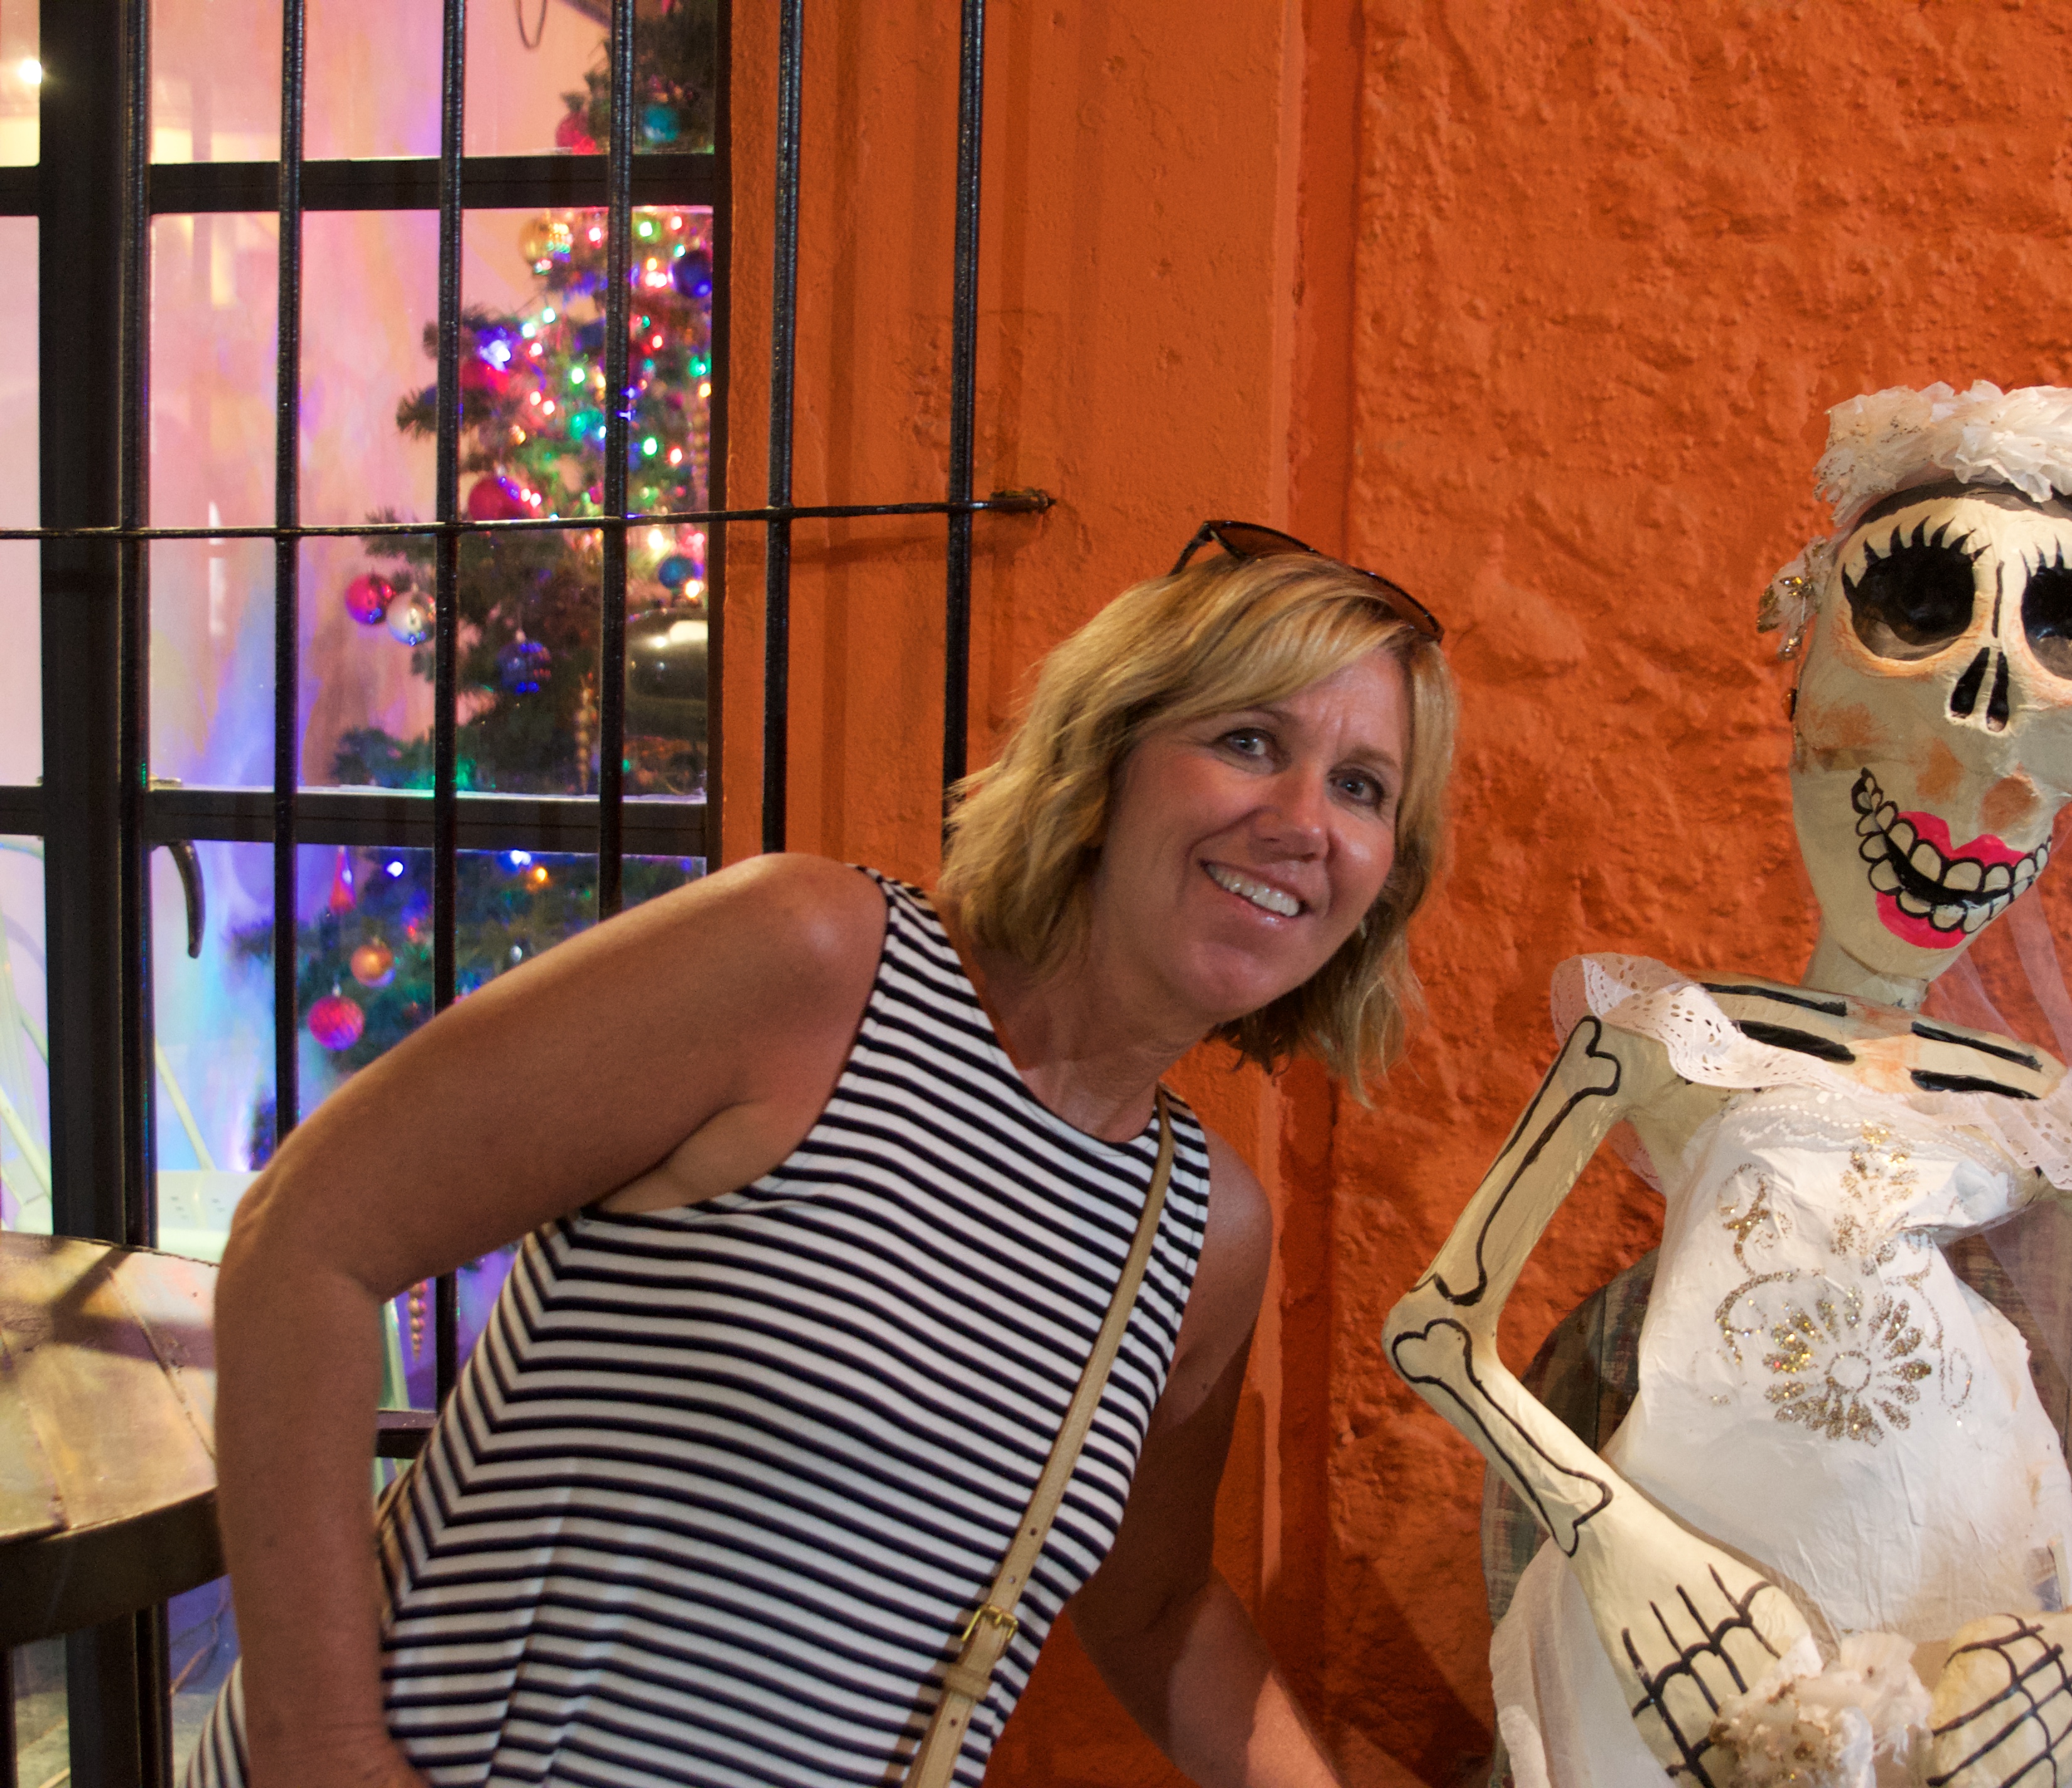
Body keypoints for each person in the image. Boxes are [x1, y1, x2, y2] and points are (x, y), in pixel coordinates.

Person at [192, 522, 1456, 1788]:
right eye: (1248, 741)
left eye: (1363, 786)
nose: (1304, 821)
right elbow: (308, 1237)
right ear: (1107, 755)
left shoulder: (1197, 1231)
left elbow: (1156, 1608)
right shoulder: (813, 965)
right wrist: (325, 1752)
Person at [1386, 384, 2072, 1788]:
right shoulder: (1671, 1033)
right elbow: (1437, 1329)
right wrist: (1613, 1538)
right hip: (1687, 1646)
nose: (1979, 737)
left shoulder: (2042, 1105)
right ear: (1802, 687)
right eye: (1913, 646)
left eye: (2033, 769)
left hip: (1968, 1646)